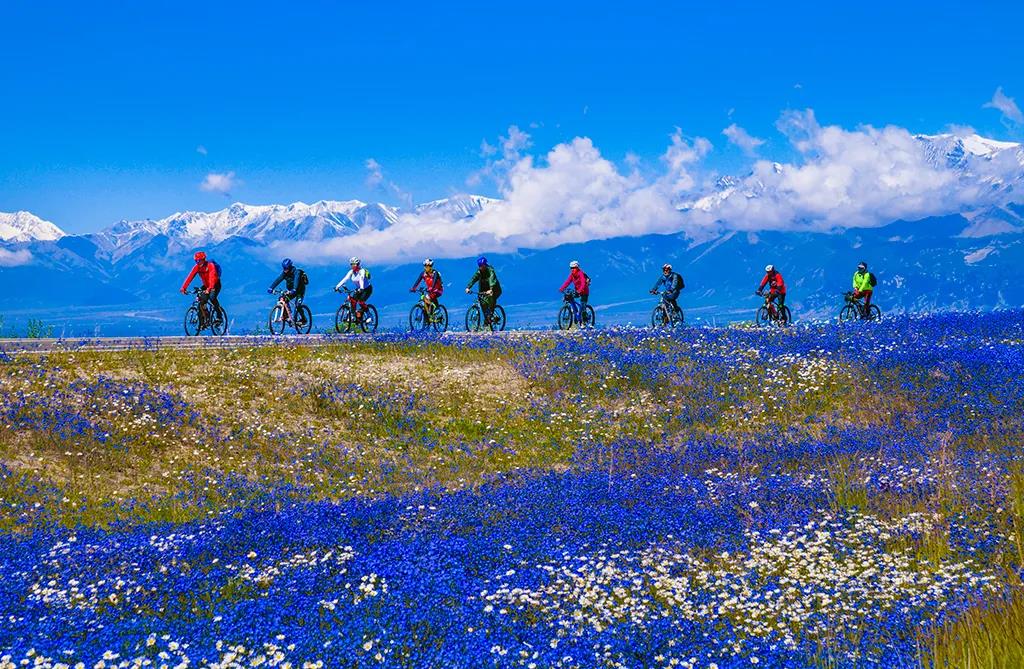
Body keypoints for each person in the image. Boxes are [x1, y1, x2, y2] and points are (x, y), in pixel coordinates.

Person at [180, 251, 222, 324]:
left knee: (212, 298)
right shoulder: (196, 267)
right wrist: (183, 288)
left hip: (215, 284)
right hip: (206, 286)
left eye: (199, 260)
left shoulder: (210, 265)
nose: (197, 262)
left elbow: (212, 278)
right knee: (201, 301)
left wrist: (209, 289)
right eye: (196, 260)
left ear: (203, 259)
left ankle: (219, 316)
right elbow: (190, 277)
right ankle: (203, 322)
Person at [465, 256, 502, 325]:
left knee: (491, 300)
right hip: (484, 290)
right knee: (483, 303)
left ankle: (491, 316)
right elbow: (474, 279)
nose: (481, 267)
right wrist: (468, 287)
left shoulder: (490, 270)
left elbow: (492, 279)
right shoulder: (479, 272)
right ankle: (487, 320)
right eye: (480, 266)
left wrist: (491, 289)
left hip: (495, 289)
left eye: (482, 266)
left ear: (485, 265)